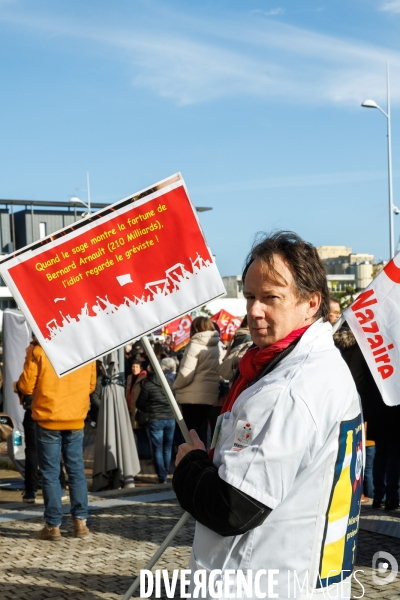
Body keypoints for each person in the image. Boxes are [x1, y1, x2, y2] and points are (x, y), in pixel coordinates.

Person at [173, 231, 362, 599]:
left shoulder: (288, 389)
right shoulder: (312, 367)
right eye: (249, 297)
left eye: (270, 298)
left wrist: (190, 465)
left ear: (311, 303)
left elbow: (232, 508)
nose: (254, 310)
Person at [15, 337, 96, 541]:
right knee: (76, 469)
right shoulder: (85, 347)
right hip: (76, 417)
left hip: (48, 417)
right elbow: (91, 385)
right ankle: (80, 523)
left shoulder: (40, 349)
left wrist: (21, 378)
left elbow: (26, 386)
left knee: (50, 472)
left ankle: (53, 526)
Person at [173, 316, 220, 447]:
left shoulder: (195, 345)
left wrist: (175, 386)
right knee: (202, 433)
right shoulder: (216, 345)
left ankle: (192, 463)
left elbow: (186, 374)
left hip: (191, 397)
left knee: (190, 435)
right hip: (208, 395)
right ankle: (202, 460)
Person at [136, 361, 176, 483]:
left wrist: (150, 408)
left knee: (157, 448)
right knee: (167, 448)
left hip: (155, 419)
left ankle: (162, 476)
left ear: (150, 369)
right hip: (170, 418)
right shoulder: (169, 382)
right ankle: (166, 471)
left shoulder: (147, 385)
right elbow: (174, 398)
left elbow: (140, 403)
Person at [126, 360, 149, 458]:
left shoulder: (143, 379)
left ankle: (145, 452)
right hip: (131, 408)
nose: (134, 369)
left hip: (139, 410)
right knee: (137, 432)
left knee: (141, 432)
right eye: (133, 367)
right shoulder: (130, 378)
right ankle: (141, 451)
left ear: (140, 369)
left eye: (136, 367)